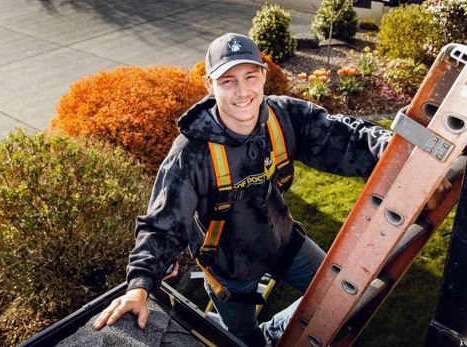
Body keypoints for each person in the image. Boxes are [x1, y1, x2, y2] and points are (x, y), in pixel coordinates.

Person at [92, 33, 451, 346]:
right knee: (243, 340)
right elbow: (162, 223)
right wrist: (139, 284)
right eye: (228, 81)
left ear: (264, 75)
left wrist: (411, 162)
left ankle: (274, 331)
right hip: (229, 268)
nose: (243, 91)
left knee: (343, 299)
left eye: (250, 76)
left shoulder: (284, 118)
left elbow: (346, 137)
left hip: (283, 242)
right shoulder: (192, 154)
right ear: (209, 86)